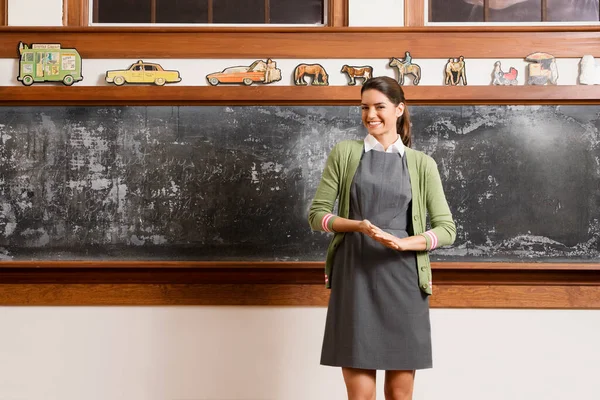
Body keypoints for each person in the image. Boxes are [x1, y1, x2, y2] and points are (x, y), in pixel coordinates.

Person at [308, 76, 456, 400]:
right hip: (354, 276)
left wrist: (404, 244)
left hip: (403, 279)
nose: (370, 115)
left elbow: (446, 229)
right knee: (360, 397)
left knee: (400, 395)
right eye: (364, 107)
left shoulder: (422, 164)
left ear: (399, 109)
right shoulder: (345, 153)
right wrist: (357, 226)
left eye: (379, 107)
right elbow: (317, 215)